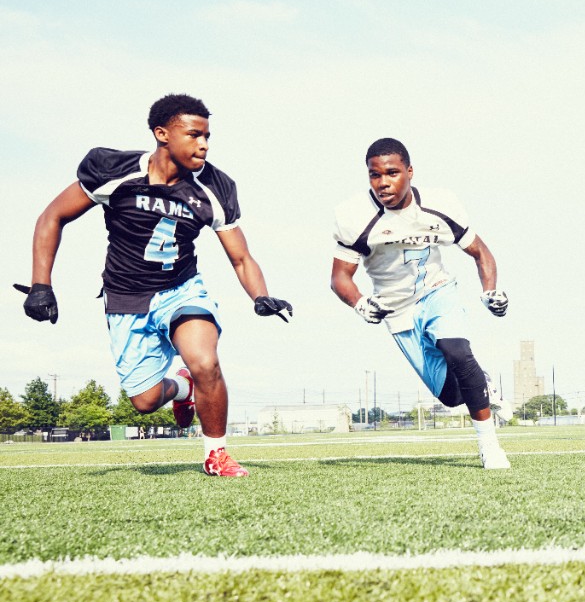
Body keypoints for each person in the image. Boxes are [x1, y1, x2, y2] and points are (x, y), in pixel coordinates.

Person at [17, 93, 292, 477]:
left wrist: (260, 295)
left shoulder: (214, 187)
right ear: (162, 134)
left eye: (208, 136)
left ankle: (217, 454)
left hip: (181, 288)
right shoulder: (114, 170)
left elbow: (240, 257)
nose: (204, 145)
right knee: (144, 402)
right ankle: (182, 389)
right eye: (194, 134)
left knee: (205, 361)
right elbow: (52, 217)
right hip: (125, 295)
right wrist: (40, 285)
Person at [330, 138, 513, 469]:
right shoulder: (355, 216)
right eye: (374, 175)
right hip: (396, 310)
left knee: (458, 351)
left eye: (392, 172)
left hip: (436, 291)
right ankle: (482, 383)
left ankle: (489, 445)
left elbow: (480, 251)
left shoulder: (441, 204)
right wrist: (359, 303)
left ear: (410, 172)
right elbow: (340, 277)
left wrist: (489, 290)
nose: (383, 182)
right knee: (451, 395)